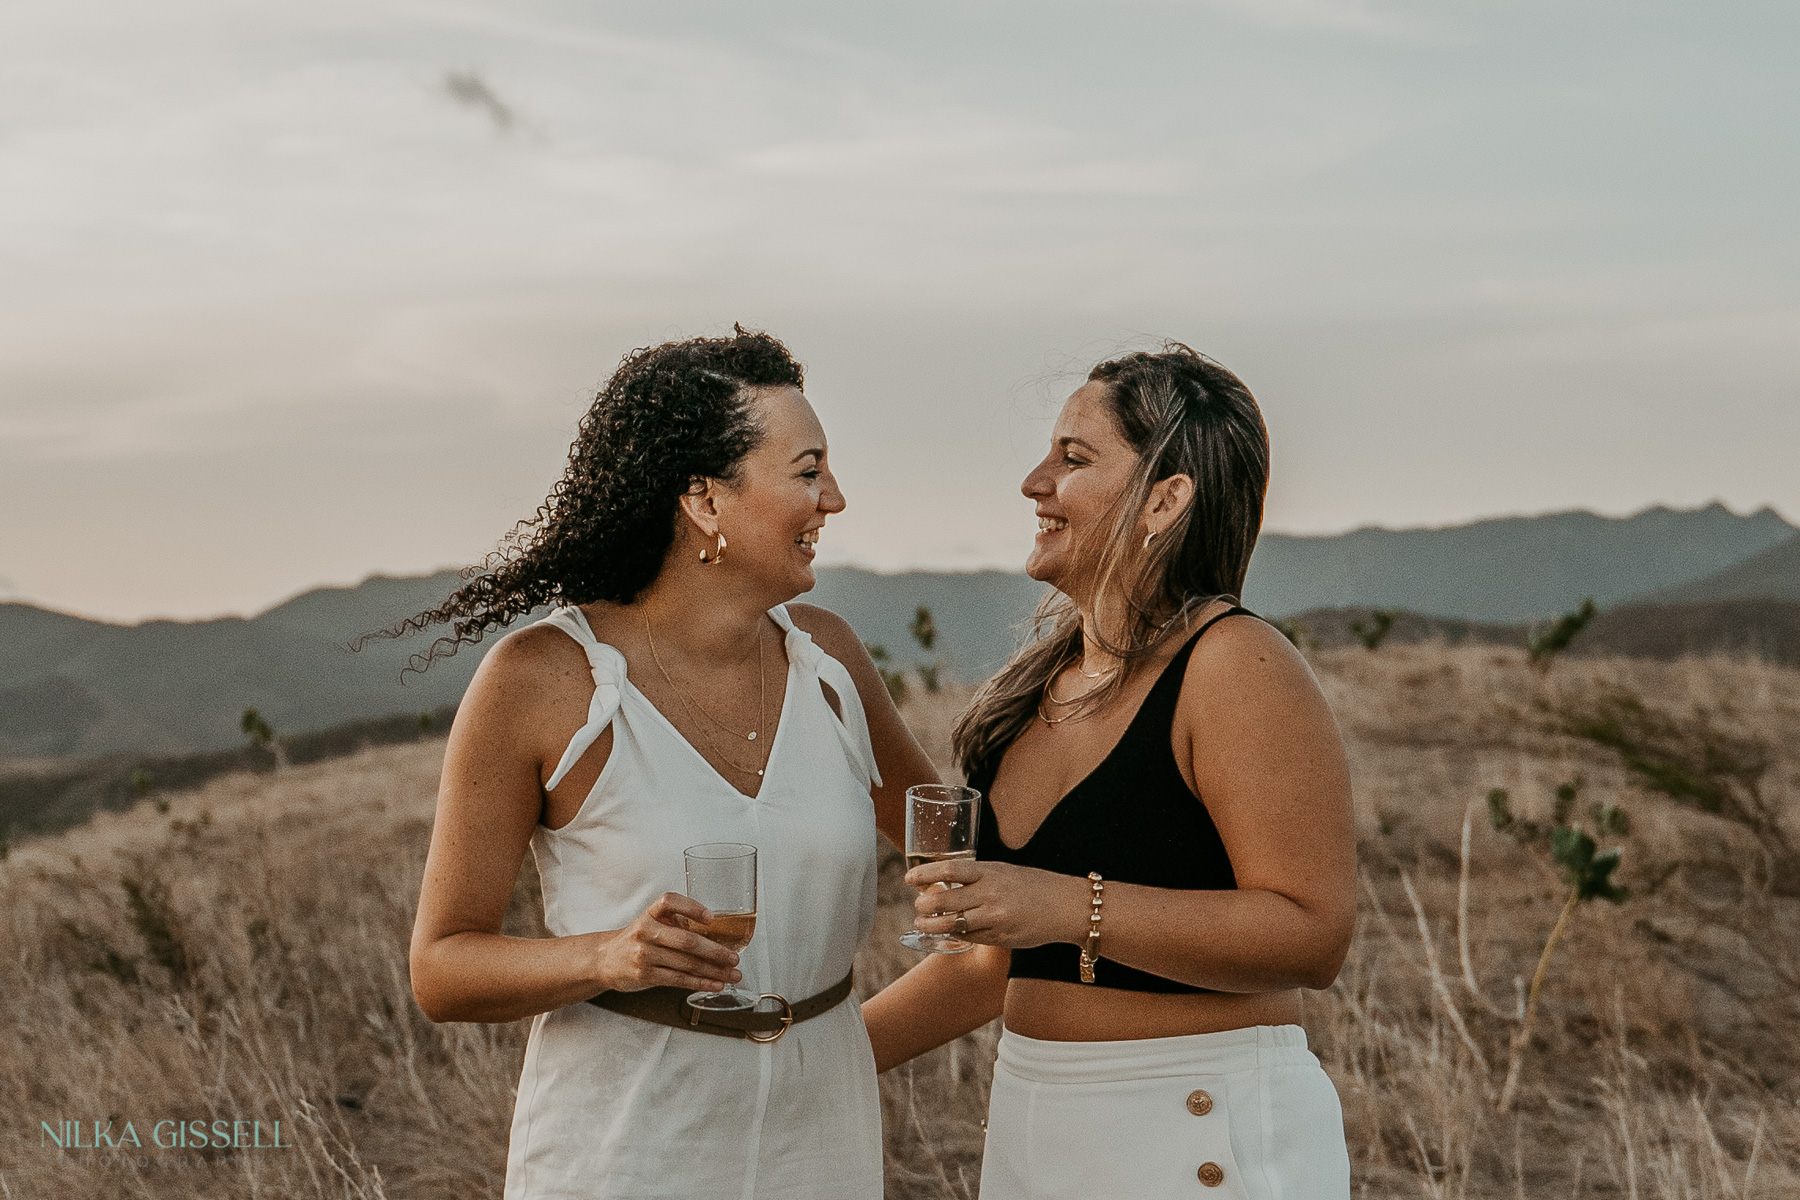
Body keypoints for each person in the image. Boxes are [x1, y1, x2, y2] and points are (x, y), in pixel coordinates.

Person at [400, 328, 938, 1199]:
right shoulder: (542, 680)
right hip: (624, 1150)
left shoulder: (832, 665)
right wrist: (607, 956)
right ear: (705, 502)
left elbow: (962, 859)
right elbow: (442, 969)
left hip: (824, 1148)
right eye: (807, 471)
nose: (834, 497)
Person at [862, 344, 1356, 1199]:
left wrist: (1063, 903)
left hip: (1199, 1125)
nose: (1033, 481)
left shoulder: (1235, 663)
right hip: (1034, 1123)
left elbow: (1312, 934)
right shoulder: (1025, 698)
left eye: (1073, 458)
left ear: (1165, 500)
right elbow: (989, 965)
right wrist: (800, 1067)